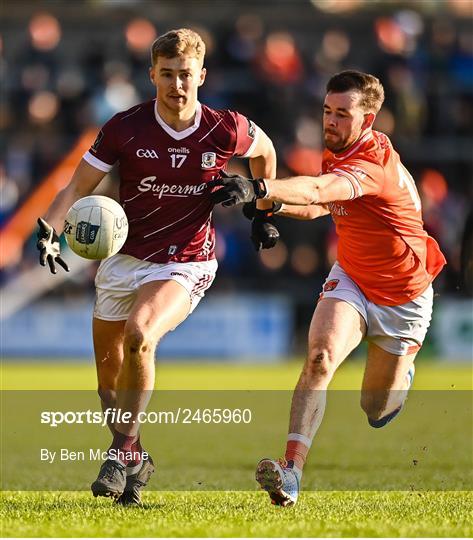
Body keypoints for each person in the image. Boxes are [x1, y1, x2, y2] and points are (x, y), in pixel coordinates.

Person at [36, 28, 278, 505]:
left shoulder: (225, 127)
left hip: (186, 261)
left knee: (140, 334)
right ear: (152, 75)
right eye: (166, 74)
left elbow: (265, 153)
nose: (177, 85)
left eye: (185, 75)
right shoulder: (125, 127)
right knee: (109, 378)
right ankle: (135, 456)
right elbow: (78, 184)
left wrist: (261, 208)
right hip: (123, 259)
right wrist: (51, 227)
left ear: (201, 76)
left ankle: (120, 452)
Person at [211, 70, 447, 507]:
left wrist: (257, 186)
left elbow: (320, 187)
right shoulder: (340, 149)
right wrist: (271, 206)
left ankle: (402, 373)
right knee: (319, 356)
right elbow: (323, 205)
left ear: (369, 119)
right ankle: (292, 472)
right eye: (326, 111)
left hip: (405, 294)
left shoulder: (372, 163)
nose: (330, 122)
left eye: (342, 114)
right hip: (354, 276)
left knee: (375, 409)